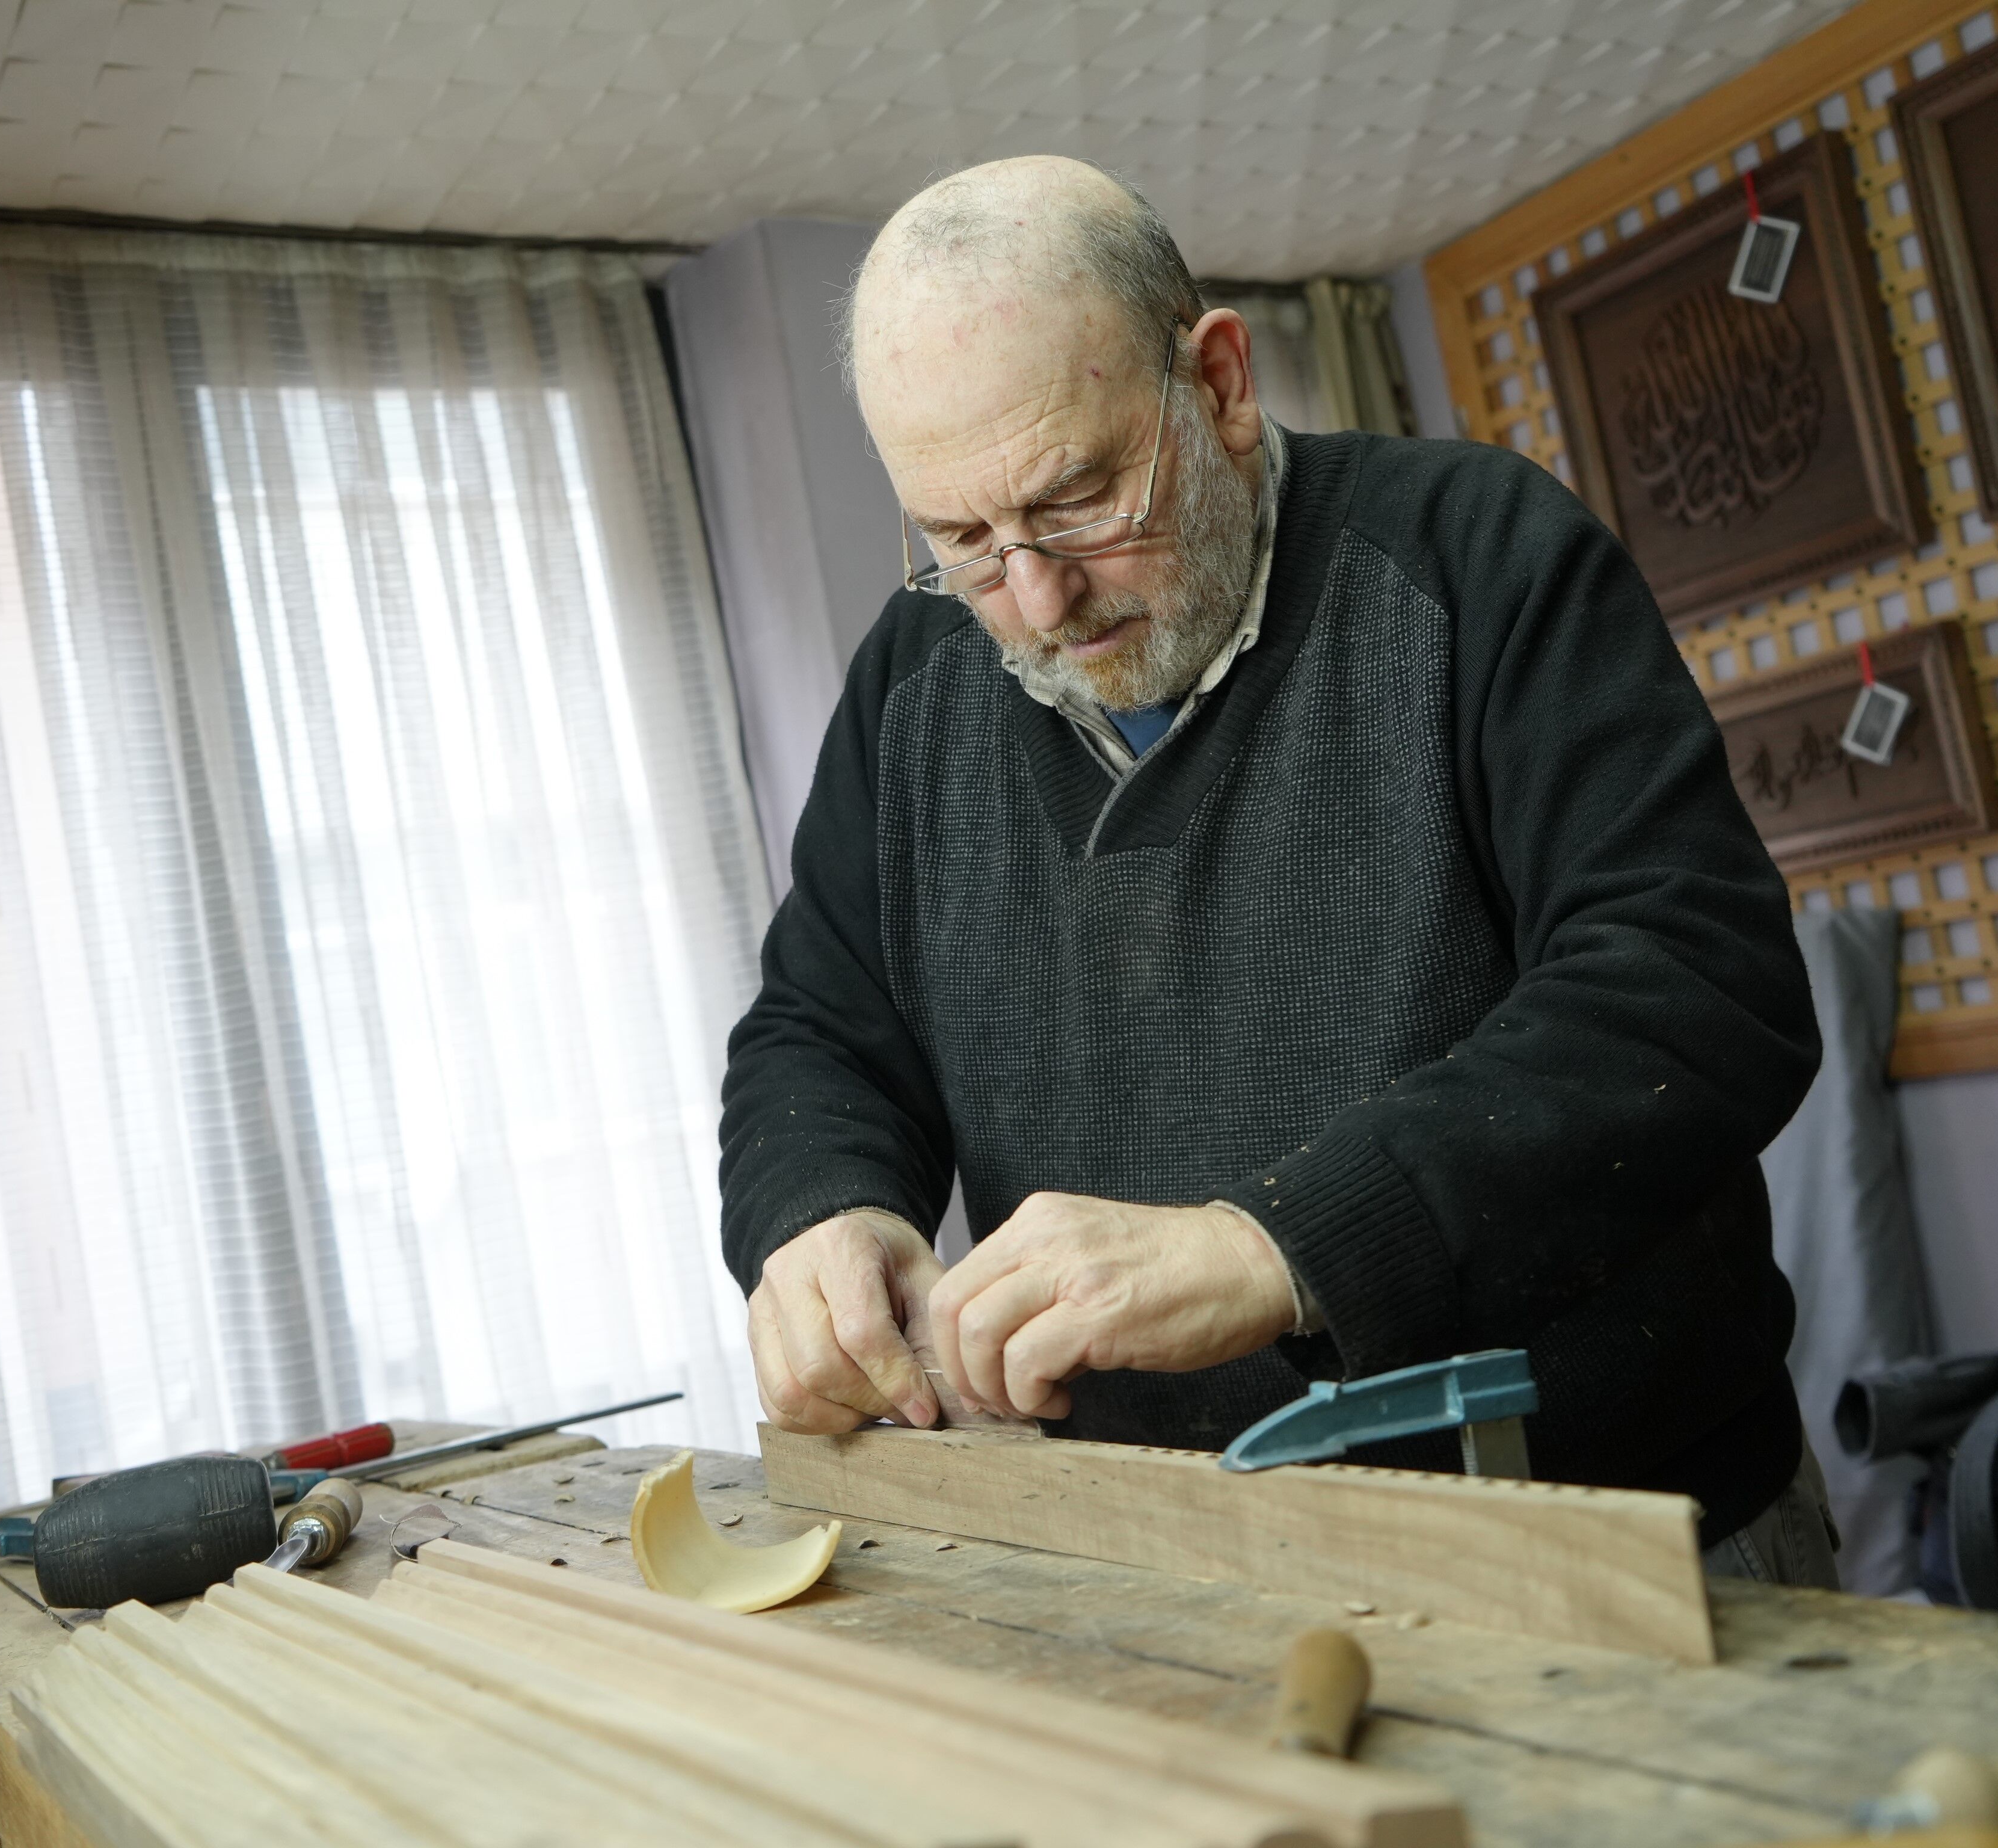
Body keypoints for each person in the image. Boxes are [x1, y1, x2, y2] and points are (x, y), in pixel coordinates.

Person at [717, 155, 1837, 1583]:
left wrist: (1275, 1247)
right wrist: (822, 1209)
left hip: (1603, 1526)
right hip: (1155, 1563)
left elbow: (1693, 990)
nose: (1038, 601)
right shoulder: (914, 680)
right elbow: (820, 1028)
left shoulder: (1479, 554)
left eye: (1079, 500)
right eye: (964, 541)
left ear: (1221, 384)